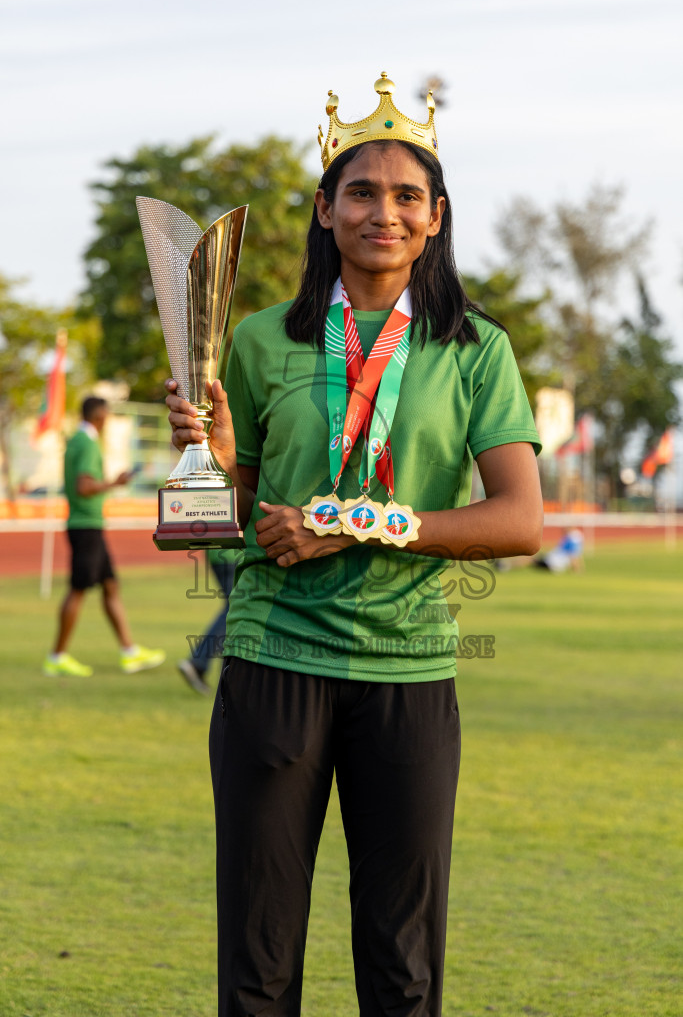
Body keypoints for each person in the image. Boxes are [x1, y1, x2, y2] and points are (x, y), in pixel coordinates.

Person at [166, 73, 543, 1017]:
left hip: (407, 670)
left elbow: (519, 521)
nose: (385, 210)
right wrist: (212, 463)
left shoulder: (475, 350)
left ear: (435, 217)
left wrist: (350, 519)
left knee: (401, 964)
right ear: (325, 210)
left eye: (406, 195)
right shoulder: (255, 341)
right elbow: (231, 512)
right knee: (256, 960)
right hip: (270, 656)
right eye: (362, 191)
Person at [43, 396, 166, 678]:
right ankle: (57, 656)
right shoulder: (87, 443)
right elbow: (84, 486)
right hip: (85, 524)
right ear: (100, 417)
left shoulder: (75, 440)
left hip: (87, 524)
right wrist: (116, 482)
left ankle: (129, 651)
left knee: (110, 586)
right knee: (78, 588)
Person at [177, 550, 235, 695]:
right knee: (235, 608)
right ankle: (199, 663)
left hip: (217, 552)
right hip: (234, 550)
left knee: (234, 606)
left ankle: (225, 673)